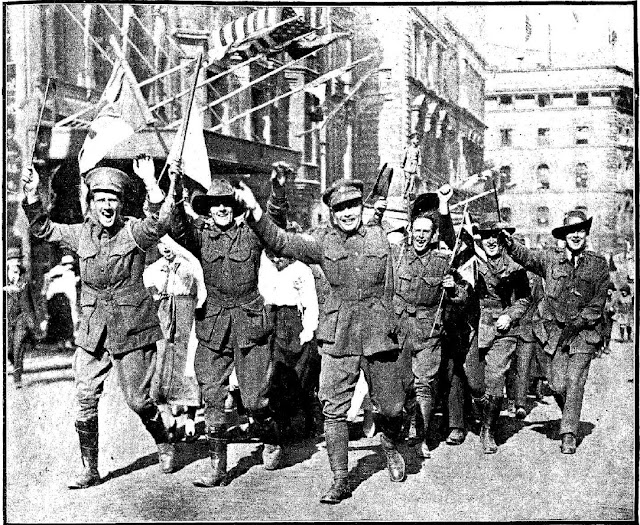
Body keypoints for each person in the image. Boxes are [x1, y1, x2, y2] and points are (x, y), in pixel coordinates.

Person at [234, 178, 408, 504]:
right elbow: (280, 240)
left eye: (352, 206)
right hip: (339, 335)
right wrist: (255, 210)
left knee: (393, 407)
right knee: (333, 408)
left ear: (362, 206)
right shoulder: (321, 243)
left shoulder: (379, 236)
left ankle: (390, 443)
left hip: (378, 334)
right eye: (339, 208)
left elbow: (396, 277)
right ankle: (340, 478)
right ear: (331, 212)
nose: (346, 213)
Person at [21, 155, 178, 488]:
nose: (107, 206)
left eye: (113, 199)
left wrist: (152, 184)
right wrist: (34, 194)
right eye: (101, 199)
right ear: (90, 203)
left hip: (131, 327)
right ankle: (90, 468)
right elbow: (42, 230)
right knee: (84, 394)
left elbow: (160, 224)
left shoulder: (133, 230)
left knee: (137, 399)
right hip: (93, 329)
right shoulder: (80, 234)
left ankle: (164, 439)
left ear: (121, 204)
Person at [168, 166, 288, 488]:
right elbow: (177, 226)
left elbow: (274, 228)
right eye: (214, 203)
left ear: (234, 206)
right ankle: (217, 468)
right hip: (214, 323)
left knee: (253, 400)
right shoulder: (201, 237)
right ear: (207, 208)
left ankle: (271, 435)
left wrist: (276, 192)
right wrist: (175, 187)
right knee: (212, 394)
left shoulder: (250, 232)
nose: (221, 208)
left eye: (226, 203)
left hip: (249, 322)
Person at [501, 209, 609, 454]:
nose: (576, 235)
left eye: (581, 230)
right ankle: (569, 414)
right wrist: (509, 242)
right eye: (571, 230)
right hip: (555, 333)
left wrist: (579, 323)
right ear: (564, 234)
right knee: (558, 384)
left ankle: (568, 433)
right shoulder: (550, 259)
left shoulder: (598, 265)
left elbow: (597, 302)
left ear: (586, 233)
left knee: (575, 380)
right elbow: (526, 256)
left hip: (583, 332)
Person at [380, 189, 469, 458]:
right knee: (399, 386)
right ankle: (400, 428)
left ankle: (420, 437)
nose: (420, 236)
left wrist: (453, 288)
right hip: (398, 332)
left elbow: (462, 295)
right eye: (416, 231)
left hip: (429, 333)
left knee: (424, 385)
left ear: (433, 236)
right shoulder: (396, 255)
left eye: (426, 232)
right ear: (410, 231)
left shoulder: (444, 261)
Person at [258, 164, 320, 441]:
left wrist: (308, 330)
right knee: (268, 377)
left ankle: (301, 420)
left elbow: (309, 302)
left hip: (292, 324)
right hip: (266, 320)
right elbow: (272, 225)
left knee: (296, 377)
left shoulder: (301, 269)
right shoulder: (262, 262)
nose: (278, 255)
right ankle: (274, 424)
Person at [474, 214, 532, 454]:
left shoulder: (515, 266)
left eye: (495, 236)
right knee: (474, 382)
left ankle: (488, 429)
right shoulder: (473, 261)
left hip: (502, 327)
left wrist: (510, 315)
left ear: (503, 238)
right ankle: (482, 415)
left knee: (496, 378)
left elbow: (524, 297)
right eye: (486, 236)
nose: (490, 241)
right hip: (474, 326)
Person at [143, 237, 206, 441]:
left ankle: (190, 418)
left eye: (170, 244)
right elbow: (149, 290)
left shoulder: (189, 265)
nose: (166, 249)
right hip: (164, 316)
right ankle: (168, 416)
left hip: (186, 315)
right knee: (163, 364)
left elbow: (200, 290)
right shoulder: (154, 269)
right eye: (162, 244)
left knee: (186, 363)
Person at [5, 246, 37, 389]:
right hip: (6, 317)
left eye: (18, 260)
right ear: (7, 263)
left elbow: (33, 299)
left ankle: (17, 377)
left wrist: (35, 319)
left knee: (18, 346)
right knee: (9, 349)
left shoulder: (25, 278)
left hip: (21, 317)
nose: (16, 263)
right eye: (12, 260)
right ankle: (13, 362)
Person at [42, 254, 80, 347]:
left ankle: (63, 341)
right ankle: (63, 341)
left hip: (57, 298)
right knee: (63, 320)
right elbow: (70, 290)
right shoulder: (64, 273)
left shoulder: (57, 271)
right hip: (61, 299)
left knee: (63, 321)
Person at [401, 133, 422, 201]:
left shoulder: (418, 150)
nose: (417, 141)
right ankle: (404, 192)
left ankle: (409, 193)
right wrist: (402, 163)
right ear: (412, 140)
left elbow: (419, 157)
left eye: (418, 139)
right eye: (416, 139)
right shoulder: (408, 149)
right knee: (407, 180)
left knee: (412, 180)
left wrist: (419, 163)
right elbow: (404, 157)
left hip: (414, 166)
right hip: (408, 165)